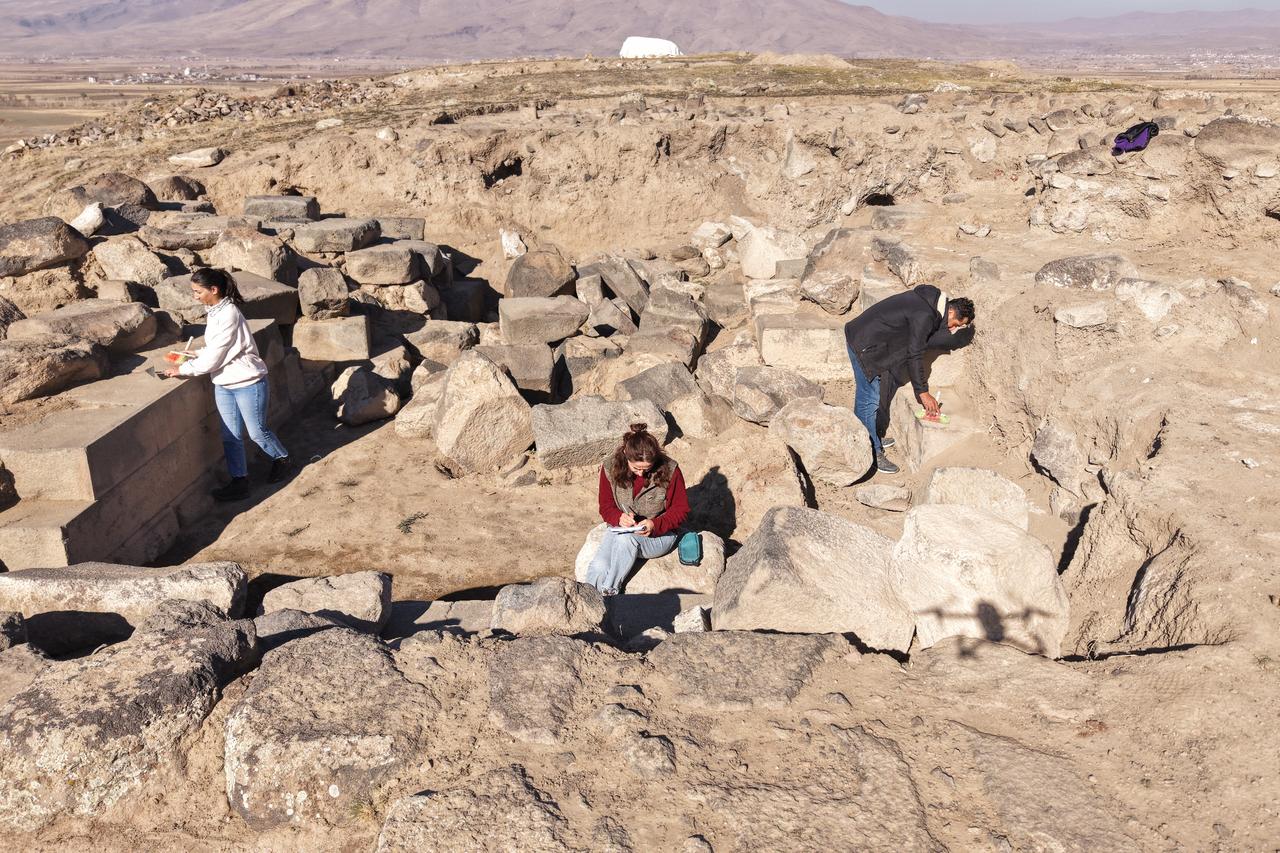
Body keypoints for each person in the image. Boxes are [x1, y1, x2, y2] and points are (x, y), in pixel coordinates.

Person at [164, 268, 290, 501]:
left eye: (198, 291)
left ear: (214, 290)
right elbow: (218, 348)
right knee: (230, 435)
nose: (195, 296)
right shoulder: (214, 311)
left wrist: (183, 369)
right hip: (224, 383)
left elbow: (215, 357)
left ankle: (281, 458)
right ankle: (239, 481)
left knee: (257, 432)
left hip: (248, 382)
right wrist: (197, 353)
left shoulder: (229, 313)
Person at [844, 285, 975, 475]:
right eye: (956, 324)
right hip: (864, 343)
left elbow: (924, 338)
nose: (953, 329)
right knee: (869, 398)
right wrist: (923, 392)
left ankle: (869, 436)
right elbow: (915, 354)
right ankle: (870, 451)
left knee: (870, 395)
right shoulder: (925, 315)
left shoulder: (929, 304)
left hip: (867, 338)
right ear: (951, 311)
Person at [585, 423, 690, 596]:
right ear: (625, 455)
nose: (641, 473)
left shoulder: (671, 470)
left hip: (659, 536)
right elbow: (605, 506)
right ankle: (587, 599)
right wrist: (619, 517)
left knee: (626, 541)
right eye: (636, 468)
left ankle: (610, 593)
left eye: (647, 469)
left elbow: (680, 510)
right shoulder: (610, 467)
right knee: (599, 566)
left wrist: (655, 524)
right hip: (620, 529)